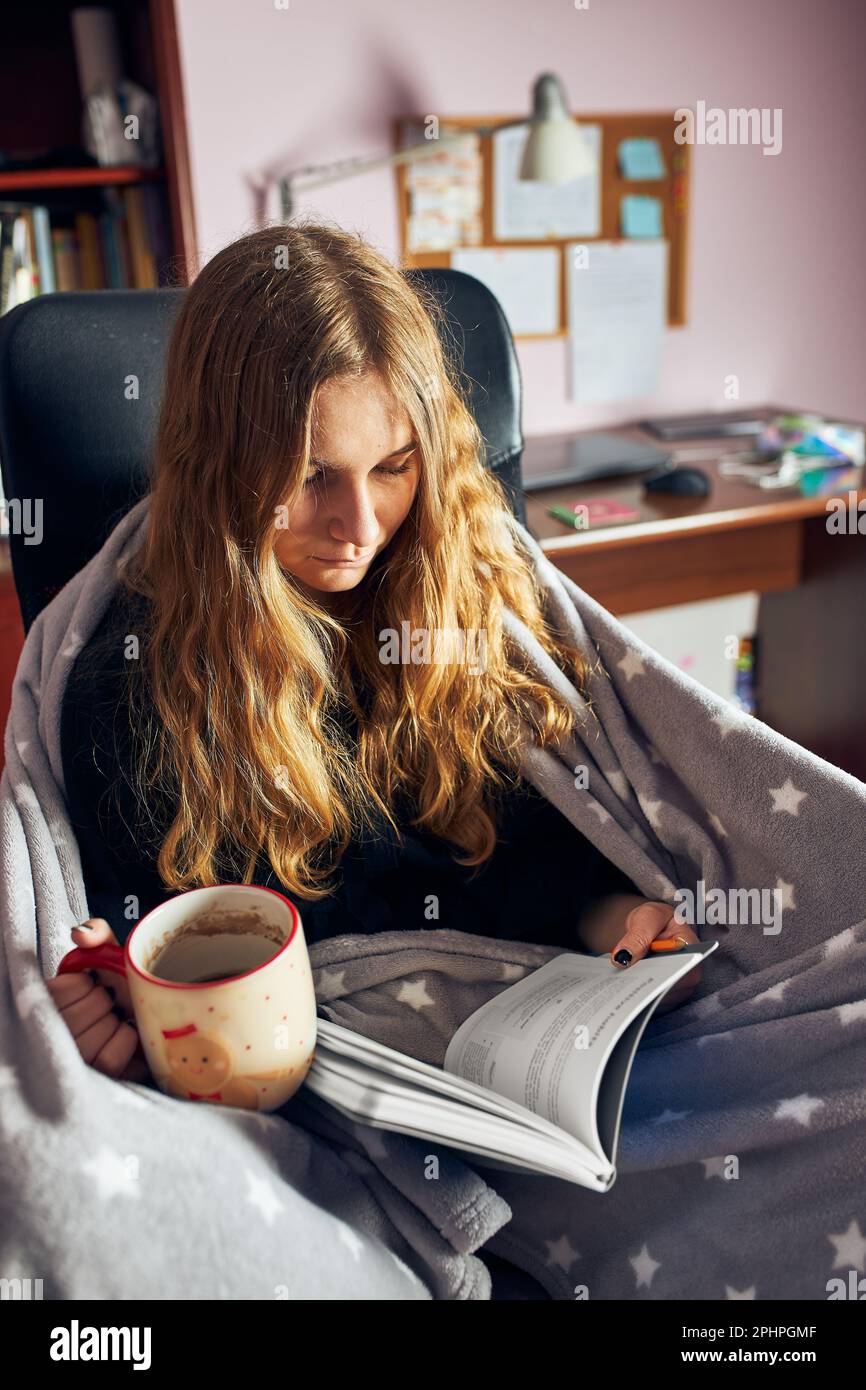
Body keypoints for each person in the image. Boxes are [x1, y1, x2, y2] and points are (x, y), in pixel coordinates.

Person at [45, 220, 699, 1086]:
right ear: (219, 468)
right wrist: (118, 1011)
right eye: (312, 476)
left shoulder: (461, 591)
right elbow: (165, 974)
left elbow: (543, 863)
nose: (360, 528)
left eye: (393, 466)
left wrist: (624, 919)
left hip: (525, 1047)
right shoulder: (131, 688)